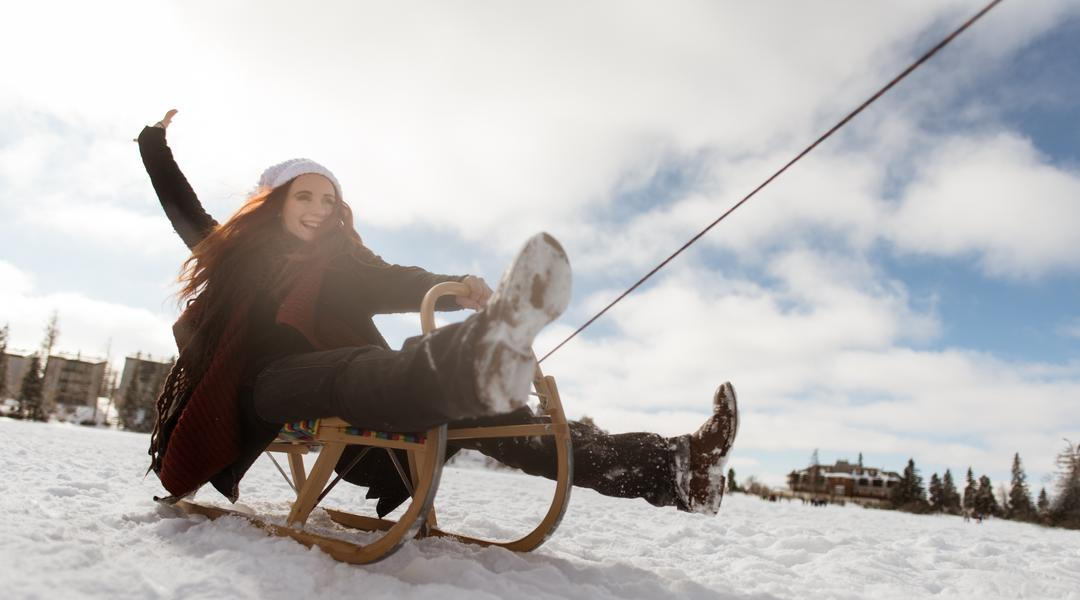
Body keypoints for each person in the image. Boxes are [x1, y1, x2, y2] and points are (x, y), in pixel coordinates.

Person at [138, 109, 739, 517]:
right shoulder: (239, 257)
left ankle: (678, 469)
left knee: (501, 420)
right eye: (305, 197)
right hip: (262, 388)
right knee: (358, 369)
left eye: (330, 199)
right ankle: (472, 358)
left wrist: (455, 288)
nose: (320, 209)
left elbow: (398, 280)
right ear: (275, 204)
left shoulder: (343, 266)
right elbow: (181, 205)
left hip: (351, 390)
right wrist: (151, 142)